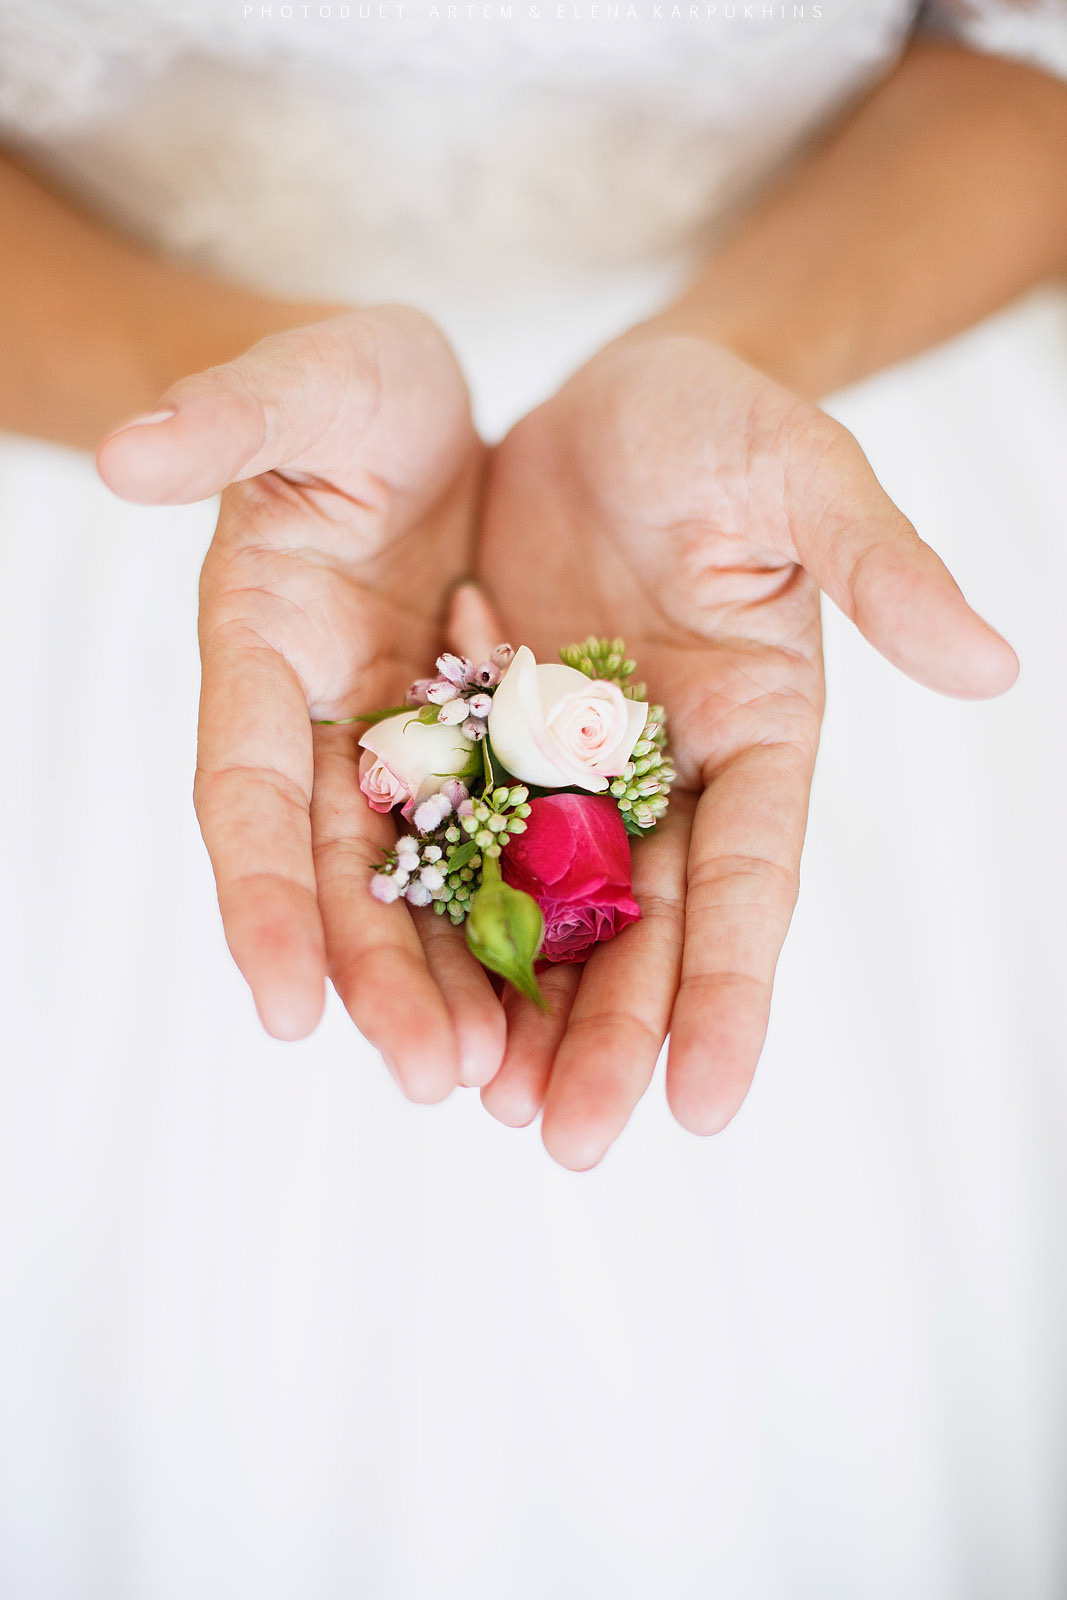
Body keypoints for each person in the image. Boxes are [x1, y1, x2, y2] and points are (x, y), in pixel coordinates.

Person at [1, 4, 1065, 1595]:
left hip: (772, 468)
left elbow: (1038, 87)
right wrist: (215, 400)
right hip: (130, 480)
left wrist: (761, 352)